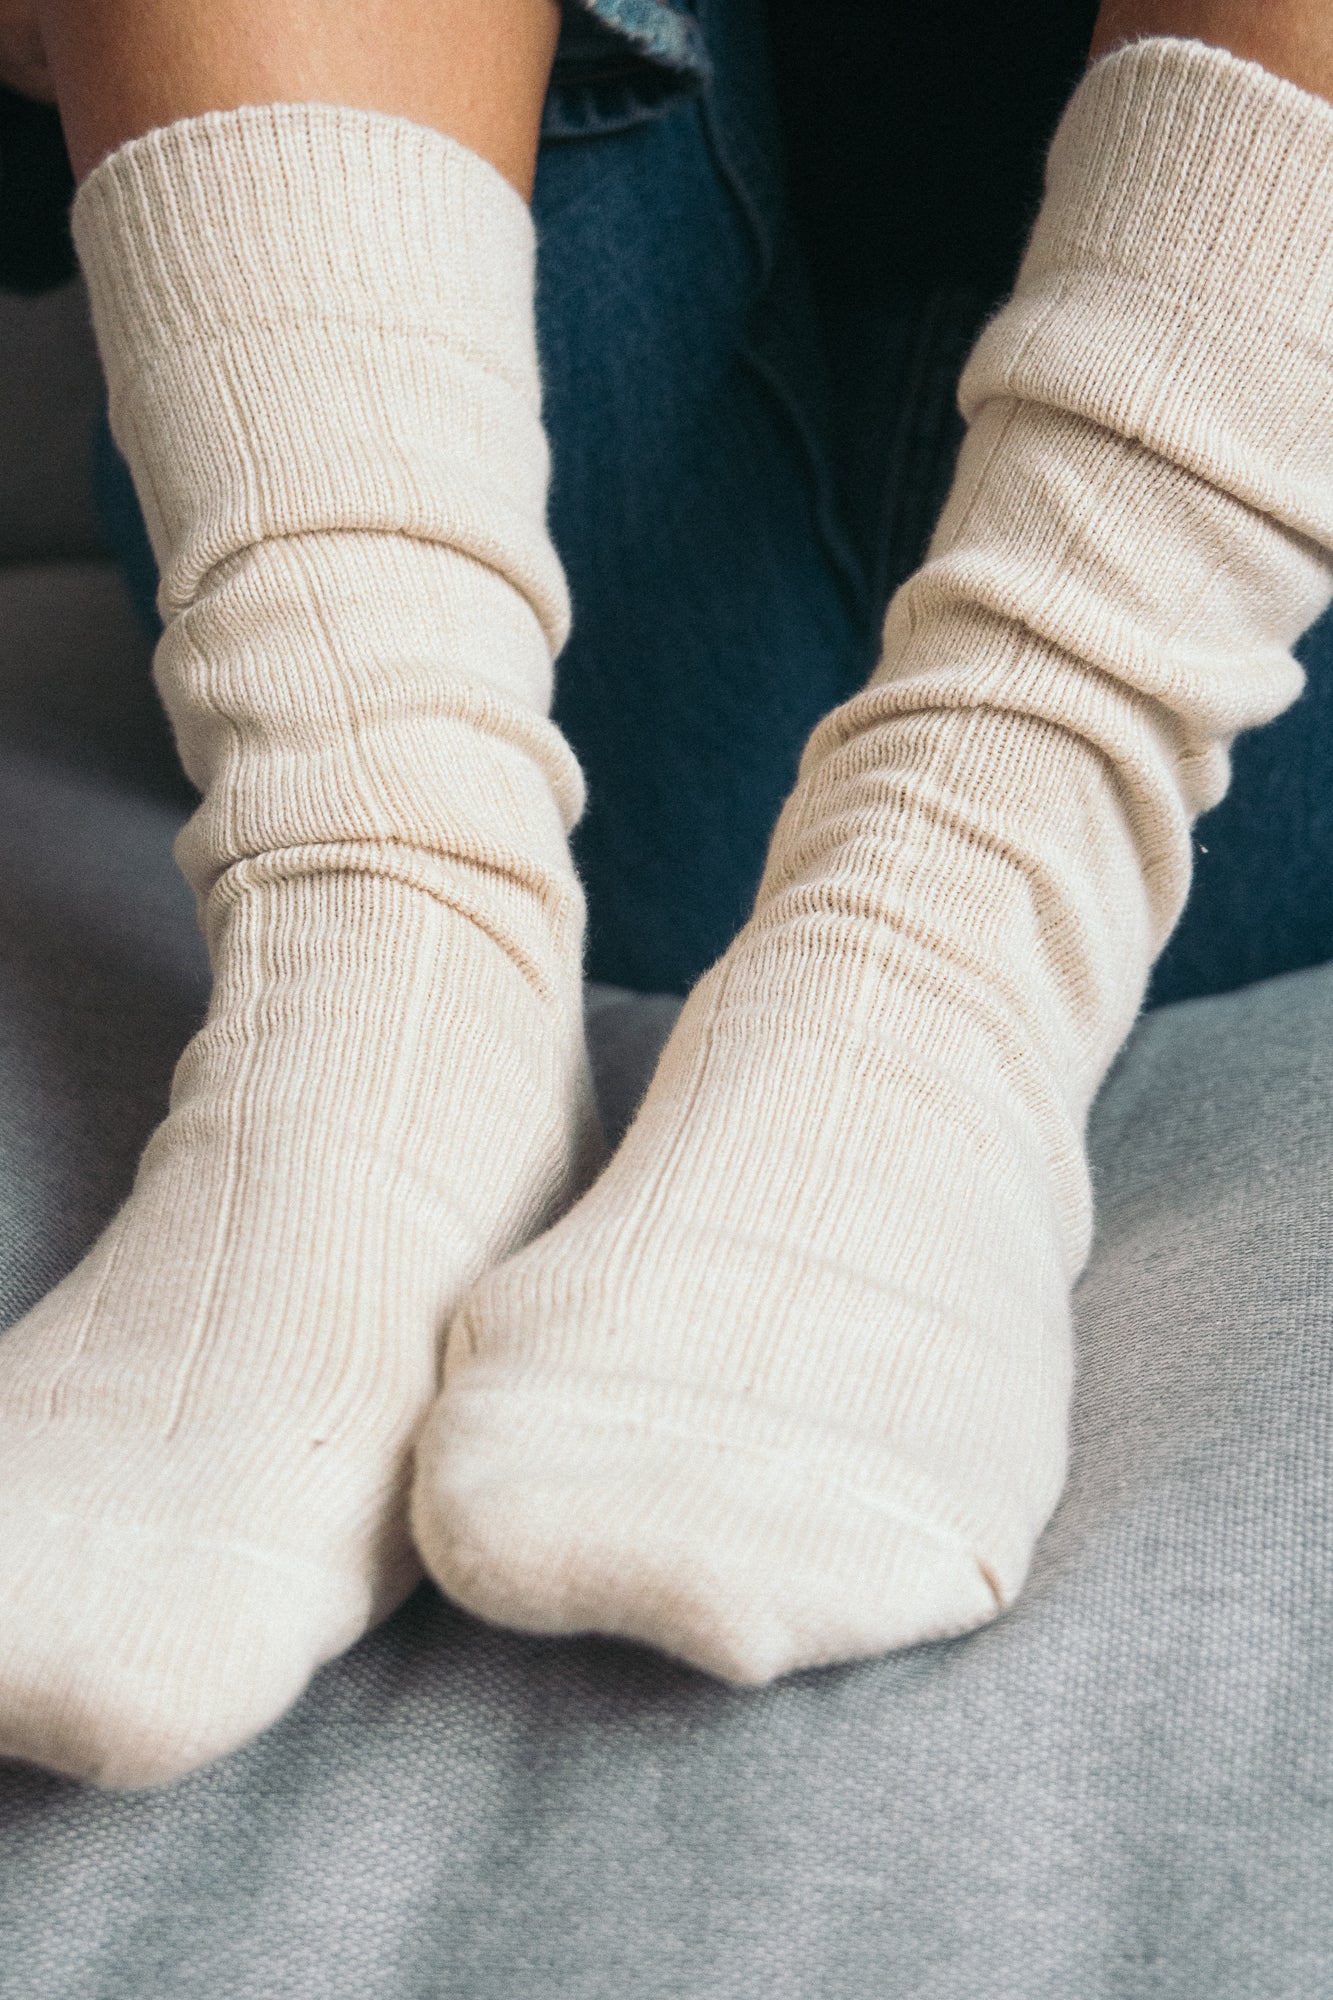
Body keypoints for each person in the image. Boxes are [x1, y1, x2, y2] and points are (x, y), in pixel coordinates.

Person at [0, 0, 1331, 1790]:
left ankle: (984, 874)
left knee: (1037, 769)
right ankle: (390, 916)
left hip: (1268, 598)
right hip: (471, 441)